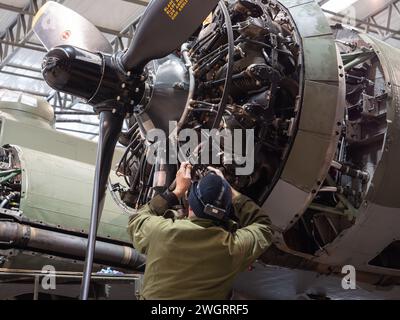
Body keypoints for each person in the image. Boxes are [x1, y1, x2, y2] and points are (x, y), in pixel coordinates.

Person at [128, 162, 273, 300]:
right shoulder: (233, 247)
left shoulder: (161, 232)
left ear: (190, 203)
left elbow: (136, 220)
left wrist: (177, 191)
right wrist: (231, 192)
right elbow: (264, 226)